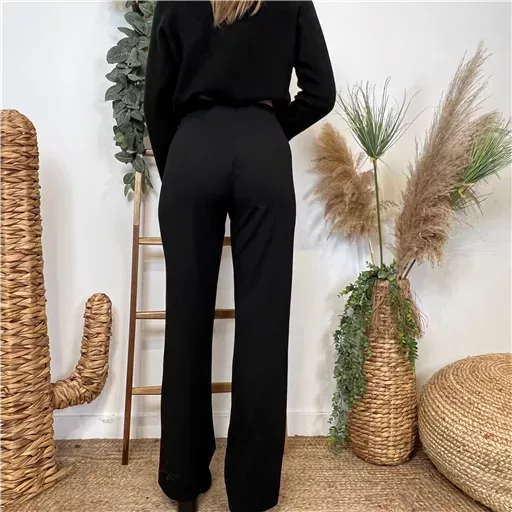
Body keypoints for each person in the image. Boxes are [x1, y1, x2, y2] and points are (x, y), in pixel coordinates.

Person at [144, 0, 335, 509]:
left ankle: (183, 479)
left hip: (192, 150)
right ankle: (251, 491)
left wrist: (179, 159)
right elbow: (321, 91)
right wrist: (267, 133)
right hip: (262, 152)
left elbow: (156, 96)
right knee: (264, 325)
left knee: (187, 319)